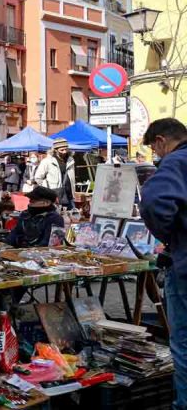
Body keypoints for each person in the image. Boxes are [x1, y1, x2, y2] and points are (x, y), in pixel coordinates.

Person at [138, 118, 187, 410]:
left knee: (183, 342)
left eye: (155, 151)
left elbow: (154, 203)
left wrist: (170, 236)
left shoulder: (176, 162)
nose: (157, 157)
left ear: (160, 141)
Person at [35, 139, 76, 210]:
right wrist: (47, 189)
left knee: (71, 218)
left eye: (66, 149)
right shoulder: (47, 161)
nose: (64, 152)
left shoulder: (70, 160)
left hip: (69, 195)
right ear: (55, 150)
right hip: (54, 196)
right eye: (62, 150)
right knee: (55, 218)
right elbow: (38, 177)